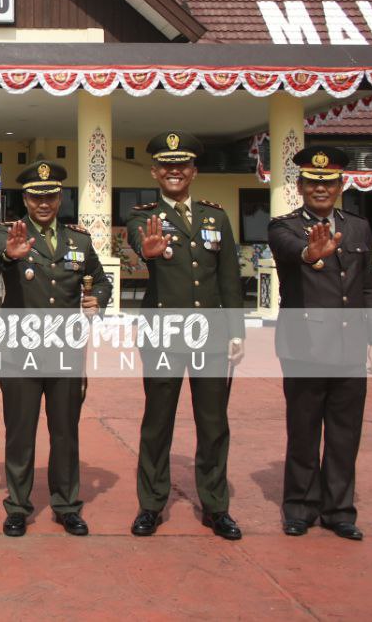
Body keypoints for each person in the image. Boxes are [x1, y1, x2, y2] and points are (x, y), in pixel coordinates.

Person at [126, 131, 245, 540]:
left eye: (182, 166)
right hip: (163, 335)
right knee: (157, 422)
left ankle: (216, 506)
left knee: (213, 423)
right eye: (166, 166)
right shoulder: (143, 216)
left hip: (210, 336)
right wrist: (150, 250)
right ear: (156, 172)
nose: (174, 172)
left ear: (193, 171)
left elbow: (230, 277)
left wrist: (236, 331)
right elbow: (141, 244)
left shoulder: (217, 217)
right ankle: (151, 504)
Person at [268, 146, 372, 541]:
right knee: (303, 429)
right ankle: (299, 508)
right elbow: (289, 251)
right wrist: (308, 252)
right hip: (304, 343)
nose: (321, 189)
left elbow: (368, 287)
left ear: (340, 185)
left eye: (329, 183)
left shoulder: (358, 228)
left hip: (351, 342)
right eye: (313, 183)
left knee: (344, 432)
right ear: (300, 186)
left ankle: (339, 510)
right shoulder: (282, 226)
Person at [0, 162, 110, 537]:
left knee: (65, 433)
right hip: (21, 351)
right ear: (25, 199)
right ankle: (18, 507)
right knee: (20, 434)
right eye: (36, 196)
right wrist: (10, 253)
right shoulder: (8, 232)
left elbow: (101, 282)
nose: (44, 203)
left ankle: (67, 505)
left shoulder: (79, 240)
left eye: (51, 196)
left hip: (66, 352)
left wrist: (97, 302)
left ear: (60, 198)